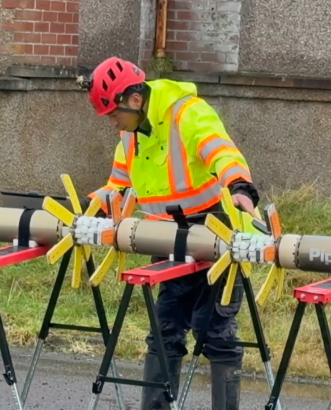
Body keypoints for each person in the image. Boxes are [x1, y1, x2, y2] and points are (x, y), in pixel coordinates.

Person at [78, 56, 262, 410]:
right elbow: (118, 186)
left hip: (214, 232)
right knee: (164, 332)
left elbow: (222, 152)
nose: (112, 121)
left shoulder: (187, 113)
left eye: (114, 113)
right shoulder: (130, 137)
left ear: (135, 99)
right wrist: (89, 210)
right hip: (165, 237)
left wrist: (240, 187)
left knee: (216, 333)